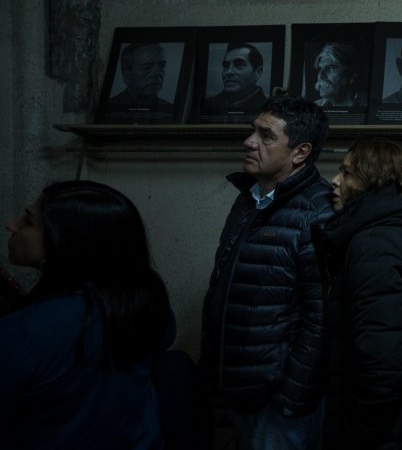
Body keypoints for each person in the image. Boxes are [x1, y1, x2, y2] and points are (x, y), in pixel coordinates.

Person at [200, 96, 332, 450]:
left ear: (300, 153)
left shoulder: (318, 213)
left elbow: (321, 319)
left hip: (279, 402)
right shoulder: (249, 198)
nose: (249, 141)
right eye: (251, 131)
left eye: (266, 135)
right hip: (239, 388)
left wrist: (291, 396)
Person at [0, 180, 175, 448]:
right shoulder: (147, 304)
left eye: (29, 221)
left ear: (63, 241)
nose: (11, 225)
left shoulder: (26, 332)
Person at [314, 137, 402, 449]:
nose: (334, 181)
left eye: (347, 173)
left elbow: (384, 365)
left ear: (373, 182)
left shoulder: (375, 244)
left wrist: (355, 432)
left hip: (382, 433)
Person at [202, 42, 268, 116]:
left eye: (239, 64)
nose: (228, 72)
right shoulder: (208, 105)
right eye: (226, 66)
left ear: (258, 73)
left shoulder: (268, 109)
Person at [108, 42, 173, 111]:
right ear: (126, 74)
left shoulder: (169, 110)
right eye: (147, 67)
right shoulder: (110, 108)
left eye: (162, 66)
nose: (157, 73)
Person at [313, 41, 366, 107]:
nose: (320, 75)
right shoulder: (313, 108)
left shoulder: (367, 106)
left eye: (331, 67)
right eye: (320, 68)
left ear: (352, 77)